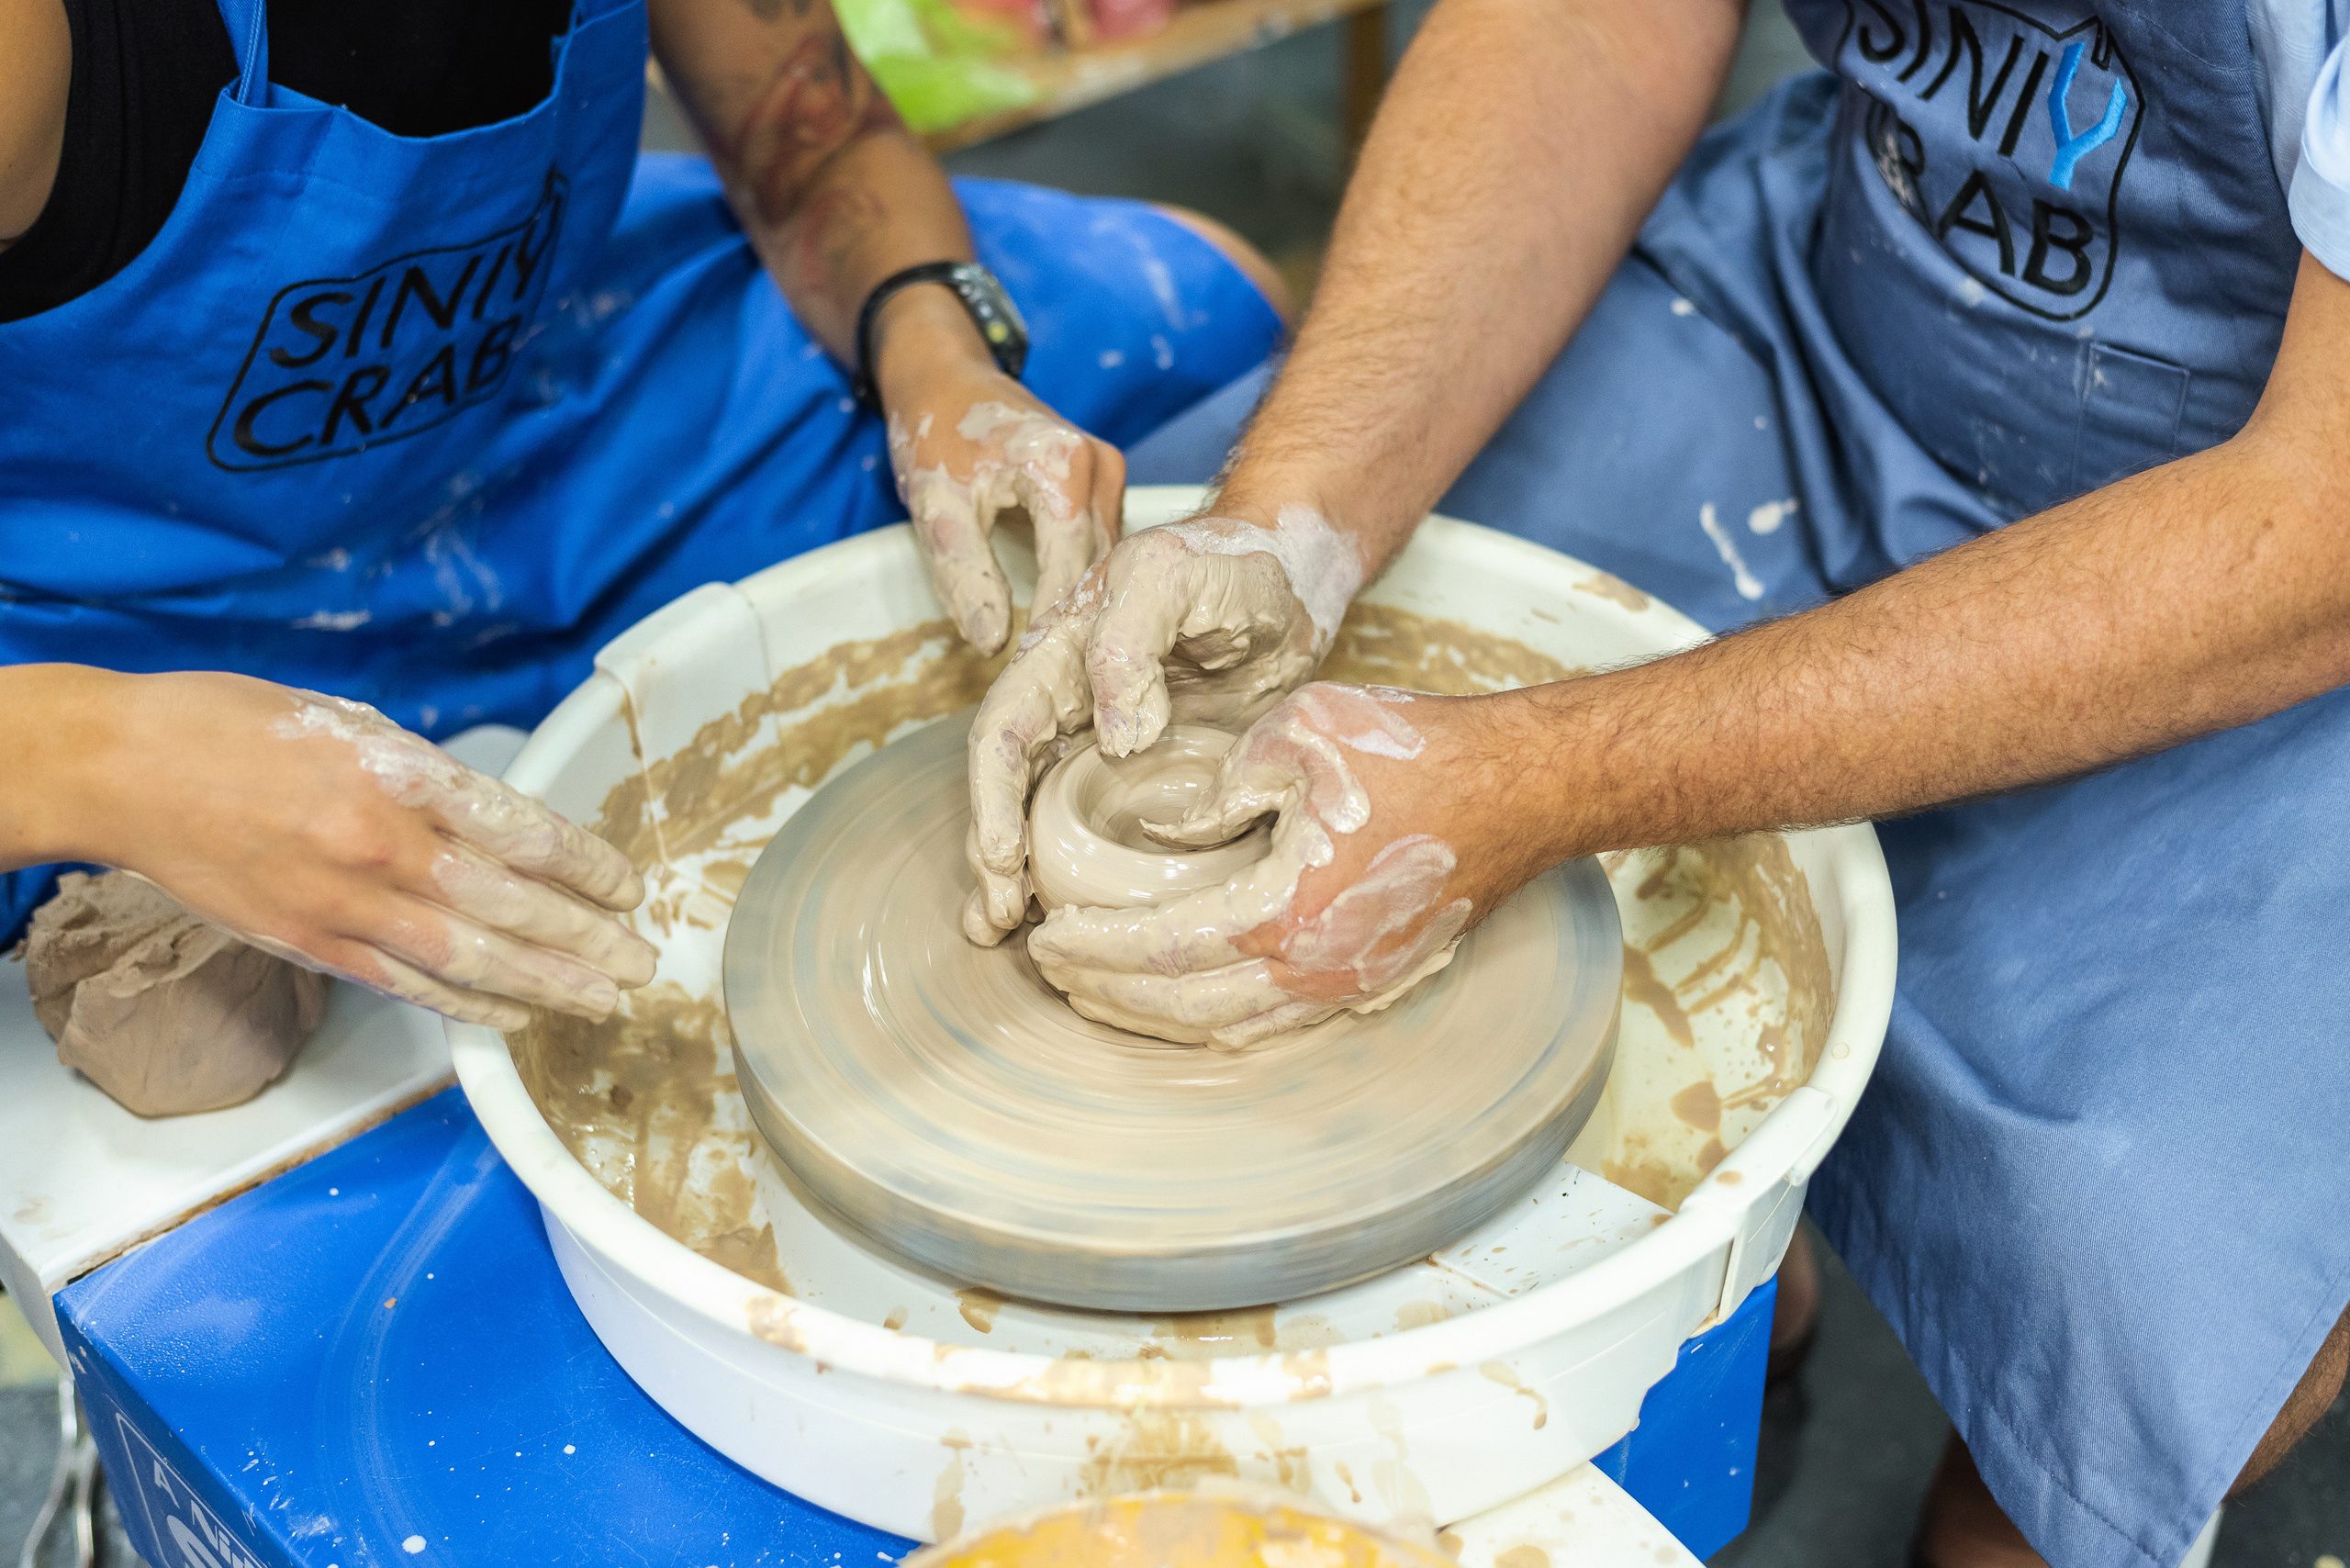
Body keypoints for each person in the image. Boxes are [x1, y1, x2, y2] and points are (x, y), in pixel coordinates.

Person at [963, 0, 2350, 1562]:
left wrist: (1544, 776)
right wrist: (1292, 520)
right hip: (1844, 324)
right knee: (1342, 633)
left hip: (2277, 540)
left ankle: (2006, 1502)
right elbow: (1593, 32)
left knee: (2130, 1273)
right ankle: (1742, 1294)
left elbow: (2315, 528)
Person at [0, 0, 1284, 1025]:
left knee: (1200, 310)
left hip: (545, 431)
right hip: (116, 612)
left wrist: (937, 358)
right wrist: (101, 760)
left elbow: (814, 137)